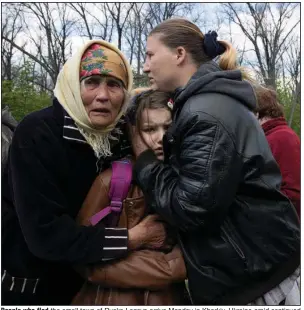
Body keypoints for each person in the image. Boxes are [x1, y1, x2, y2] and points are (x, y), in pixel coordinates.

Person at [131, 18, 300, 305]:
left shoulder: (205, 113)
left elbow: (191, 209)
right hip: (258, 267)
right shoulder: (208, 103)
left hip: (255, 281)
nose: (145, 66)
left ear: (179, 54)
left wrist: (146, 163)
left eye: (150, 55)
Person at [1, 41, 169, 305]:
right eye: (91, 82)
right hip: (32, 287)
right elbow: (46, 236)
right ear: (72, 87)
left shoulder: (119, 136)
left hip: (95, 286)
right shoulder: (37, 134)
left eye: (114, 84)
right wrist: (135, 237)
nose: (103, 95)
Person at [71, 88, 188, 306]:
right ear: (133, 132)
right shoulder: (112, 182)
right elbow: (82, 256)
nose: (161, 138)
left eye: (168, 127)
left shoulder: (190, 181)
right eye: (149, 129)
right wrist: (170, 267)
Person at [254, 85, 300, 217]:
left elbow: (293, 193)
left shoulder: (283, 138)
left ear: (258, 113)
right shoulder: (270, 136)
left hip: (283, 226)